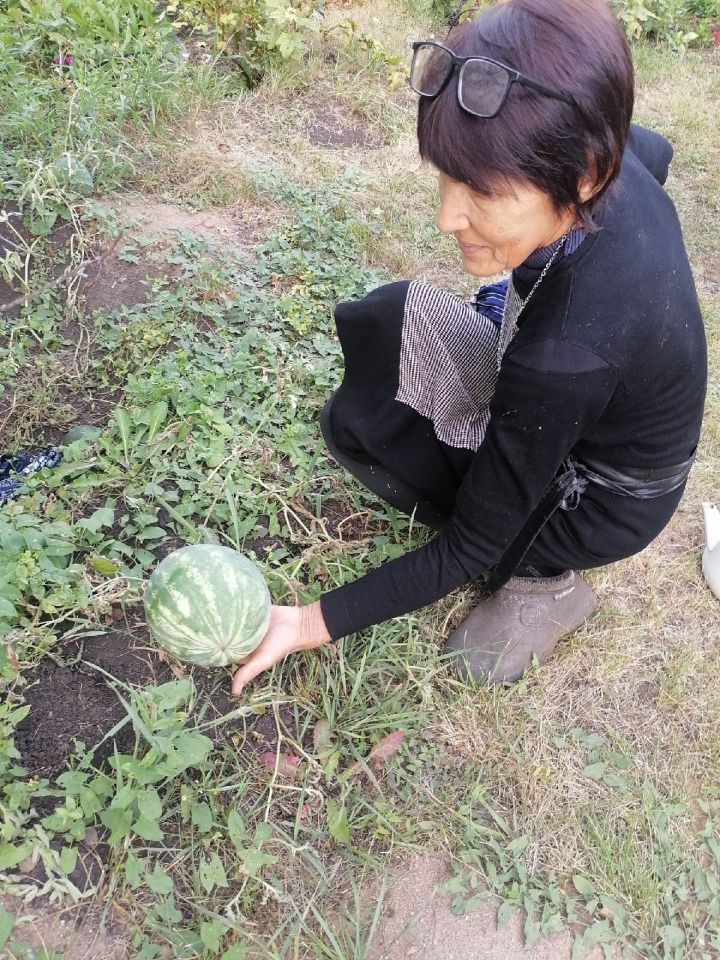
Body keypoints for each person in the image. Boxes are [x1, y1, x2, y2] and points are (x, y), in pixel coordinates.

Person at [232, 0, 707, 694]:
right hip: (580, 403)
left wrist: (306, 623)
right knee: (382, 321)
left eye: (481, 190)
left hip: (595, 502)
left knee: (367, 435)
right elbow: (653, 150)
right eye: (446, 176)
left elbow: (470, 543)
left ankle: (544, 583)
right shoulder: (610, 156)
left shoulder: (568, 352)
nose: (447, 215)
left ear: (584, 173)